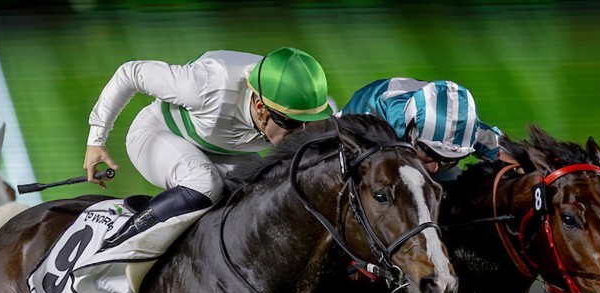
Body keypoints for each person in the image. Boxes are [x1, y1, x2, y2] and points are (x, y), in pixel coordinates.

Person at [82, 47, 333, 248]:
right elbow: (130, 73)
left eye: (309, 122)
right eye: (289, 122)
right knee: (204, 182)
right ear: (259, 106)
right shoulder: (206, 85)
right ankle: (118, 243)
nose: (302, 133)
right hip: (158, 134)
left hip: (226, 152)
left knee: (269, 189)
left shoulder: (306, 107)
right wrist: (96, 139)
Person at [341, 78, 503, 178]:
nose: (433, 168)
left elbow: (507, 152)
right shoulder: (376, 122)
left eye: (447, 159)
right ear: (410, 134)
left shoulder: (465, 133)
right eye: (430, 155)